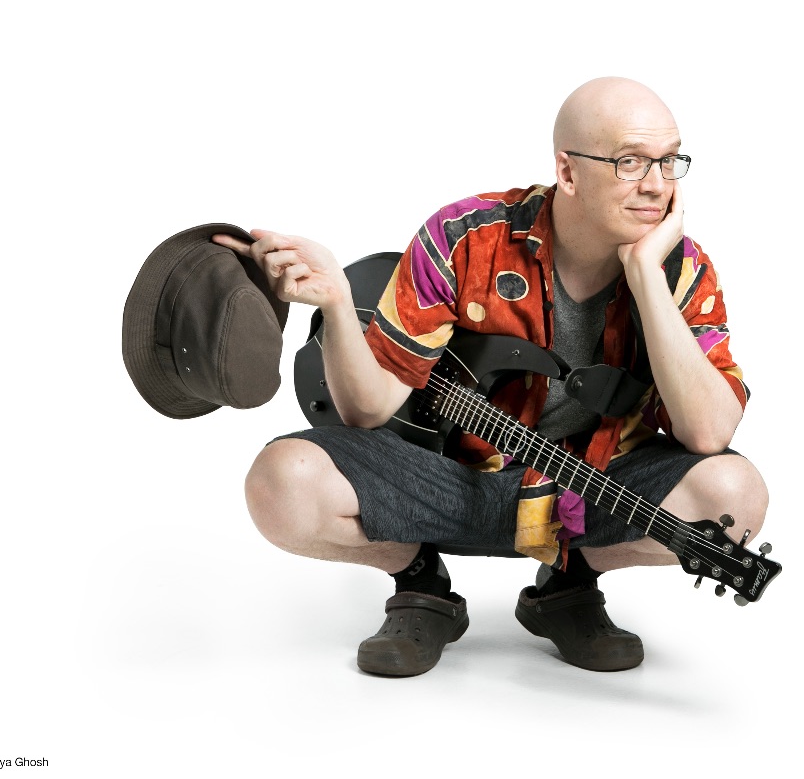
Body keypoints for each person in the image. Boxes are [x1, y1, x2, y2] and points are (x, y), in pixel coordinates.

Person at [213, 77, 769, 676]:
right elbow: (367, 412)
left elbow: (708, 434)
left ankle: (569, 581)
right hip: (449, 483)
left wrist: (646, 277)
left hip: (587, 487)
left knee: (734, 496)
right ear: (568, 170)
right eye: (630, 162)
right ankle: (418, 578)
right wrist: (337, 303)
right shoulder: (465, 238)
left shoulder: (682, 267)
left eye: (669, 161)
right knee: (282, 483)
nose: (658, 184)